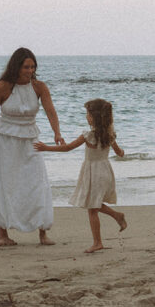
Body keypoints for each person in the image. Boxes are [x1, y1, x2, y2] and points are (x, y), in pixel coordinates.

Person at [0, 48, 64, 246]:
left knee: (37, 183)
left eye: (32, 67)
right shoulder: (3, 87)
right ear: (16, 67)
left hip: (30, 139)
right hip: (5, 141)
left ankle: (43, 233)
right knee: (5, 184)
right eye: (26, 67)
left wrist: (57, 133)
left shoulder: (39, 87)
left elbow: (51, 111)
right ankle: (3, 234)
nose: (29, 70)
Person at [35, 98, 127, 253]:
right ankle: (116, 216)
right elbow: (120, 153)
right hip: (105, 170)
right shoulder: (110, 134)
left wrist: (46, 148)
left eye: (88, 114)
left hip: (93, 171)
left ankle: (99, 241)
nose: (86, 116)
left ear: (94, 117)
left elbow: (67, 148)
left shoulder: (88, 135)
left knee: (92, 208)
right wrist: (121, 152)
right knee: (93, 205)